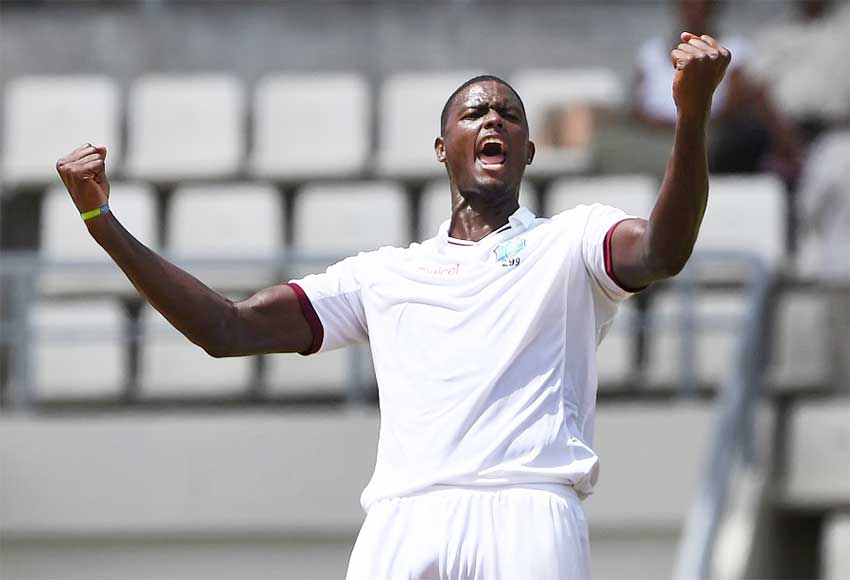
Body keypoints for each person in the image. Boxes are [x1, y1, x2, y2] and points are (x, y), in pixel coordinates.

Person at [56, 32, 730, 580]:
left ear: (526, 150)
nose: (493, 118)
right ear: (443, 149)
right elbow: (224, 329)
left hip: (529, 504)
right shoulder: (384, 275)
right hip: (404, 517)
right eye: (474, 113)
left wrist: (691, 115)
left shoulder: (572, 238)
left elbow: (664, 251)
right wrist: (100, 218)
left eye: (510, 116)